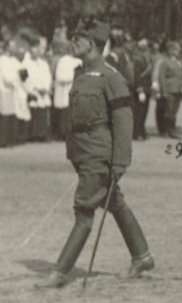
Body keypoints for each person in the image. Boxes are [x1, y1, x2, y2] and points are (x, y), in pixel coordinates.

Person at [38, 19, 155, 287]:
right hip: (81, 151)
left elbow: (125, 122)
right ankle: (142, 255)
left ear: (91, 44)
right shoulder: (81, 74)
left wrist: (120, 161)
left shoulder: (111, 78)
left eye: (78, 39)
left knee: (84, 210)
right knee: (113, 201)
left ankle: (61, 271)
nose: (72, 43)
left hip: (99, 153)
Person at [153, 40, 182, 140]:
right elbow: (162, 77)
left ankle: (171, 129)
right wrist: (163, 91)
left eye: (179, 50)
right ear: (170, 51)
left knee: (174, 111)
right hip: (170, 89)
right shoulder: (165, 62)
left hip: (178, 89)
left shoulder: (179, 62)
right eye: (176, 50)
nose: (178, 52)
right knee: (168, 110)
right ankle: (165, 130)